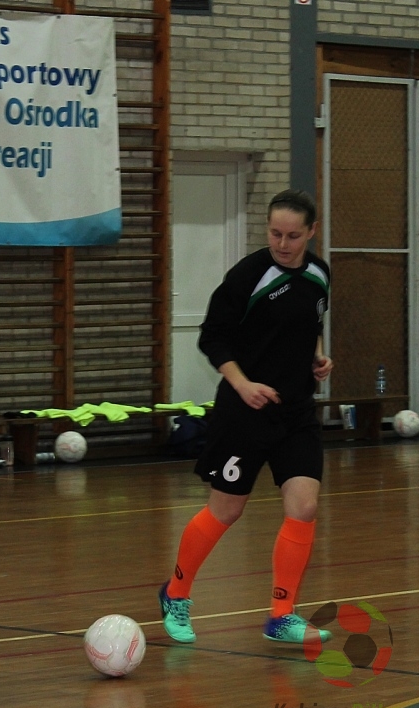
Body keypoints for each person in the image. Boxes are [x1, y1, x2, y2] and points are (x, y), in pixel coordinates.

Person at [159, 189, 334, 646]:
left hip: (295, 412)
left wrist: (317, 357)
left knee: (304, 506)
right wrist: (243, 384)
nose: (282, 243)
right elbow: (212, 338)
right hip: (244, 412)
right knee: (226, 510)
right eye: (275, 233)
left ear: (311, 232)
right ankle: (175, 593)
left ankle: (281, 616)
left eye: (292, 235)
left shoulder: (319, 274)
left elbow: (309, 325)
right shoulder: (248, 276)